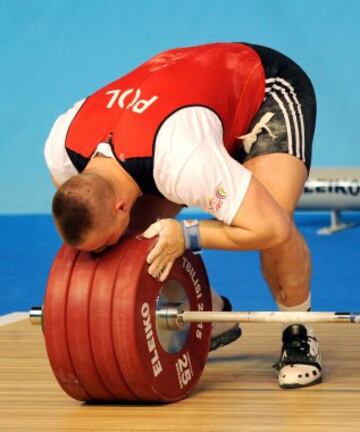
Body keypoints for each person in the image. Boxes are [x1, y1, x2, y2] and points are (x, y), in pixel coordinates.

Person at [44, 42, 321, 389]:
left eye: (104, 243)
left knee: (272, 215)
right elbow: (87, 205)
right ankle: (213, 312)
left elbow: (272, 228)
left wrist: (187, 234)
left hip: (263, 87)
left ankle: (298, 330)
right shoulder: (61, 149)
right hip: (182, 101)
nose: (103, 252)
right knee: (137, 233)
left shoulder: (182, 161)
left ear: (119, 205)